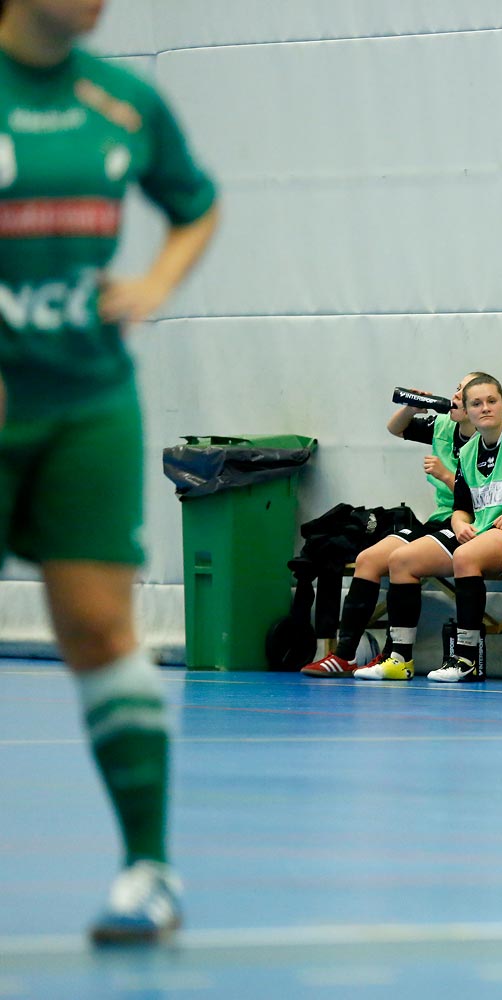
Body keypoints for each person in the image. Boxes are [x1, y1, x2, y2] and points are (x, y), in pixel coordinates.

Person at [0, 0, 219, 944]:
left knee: (97, 627)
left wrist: (157, 283)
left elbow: (195, 202)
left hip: (87, 403)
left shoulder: (123, 100)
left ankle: (149, 872)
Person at [355, 373, 502, 681]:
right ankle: (400, 658)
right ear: (466, 411)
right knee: (401, 560)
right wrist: (459, 525)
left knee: (466, 557)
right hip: (484, 532)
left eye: (491, 401)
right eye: (476, 403)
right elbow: (461, 508)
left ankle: (466, 658)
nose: (485, 408)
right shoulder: (469, 451)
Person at [299, 373, 480, 677]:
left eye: (468, 393)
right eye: (458, 389)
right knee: (368, 559)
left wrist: (447, 476)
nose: (458, 396)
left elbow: (489, 499)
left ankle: (397, 655)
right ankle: (345, 655)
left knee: (402, 560)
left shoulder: (487, 440)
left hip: (469, 523)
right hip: (438, 520)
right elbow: (396, 428)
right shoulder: (444, 427)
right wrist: (411, 408)